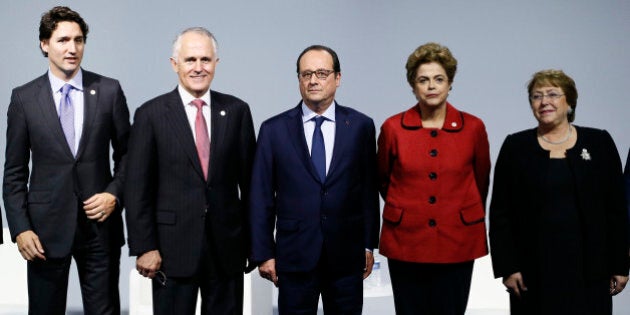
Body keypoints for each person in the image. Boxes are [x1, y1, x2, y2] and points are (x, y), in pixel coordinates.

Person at [3, 6, 129, 315]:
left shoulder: (109, 91)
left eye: (79, 40)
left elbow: (129, 157)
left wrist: (114, 194)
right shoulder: (24, 98)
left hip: (100, 229)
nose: (72, 48)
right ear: (45, 44)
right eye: (62, 40)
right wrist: (20, 229)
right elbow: (14, 173)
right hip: (44, 233)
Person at [125, 27, 256, 315]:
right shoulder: (151, 114)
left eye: (206, 60)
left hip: (227, 249)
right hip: (171, 251)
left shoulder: (237, 111)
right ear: (175, 64)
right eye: (190, 60)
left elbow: (251, 187)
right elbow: (137, 189)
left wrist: (255, 243)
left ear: (216, 64)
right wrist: (144, 247)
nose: (199, 68)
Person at [249, 45, 380, 314]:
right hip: (294, 256)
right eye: (306, 74)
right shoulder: (274, 130)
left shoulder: (360, 126)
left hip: (346, 256)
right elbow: (260, 197)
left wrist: (368, 243)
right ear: (298, 79)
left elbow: (367, 190)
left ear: (338, 78)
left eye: (322, 73)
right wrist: (264, 252)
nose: (313, 80)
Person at [490, 69, 629, 314]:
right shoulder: (516, 146)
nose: (544, 102)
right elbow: (501, 213)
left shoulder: (599, 142)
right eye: (536, 96)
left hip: (590, 270)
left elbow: (616, 209)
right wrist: (508, 267)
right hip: (532, 271)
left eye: (553, 94)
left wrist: (621, 264)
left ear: (570, 101)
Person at [376, 42, 491, 315]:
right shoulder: (393, 127)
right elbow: (383, 180)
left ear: (450, 83)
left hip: (457, 240)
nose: (431, 86)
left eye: (438, 79)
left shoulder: (473, 127)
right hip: (406, 240)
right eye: (423, 80)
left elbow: (481, 180)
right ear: (413, 86)